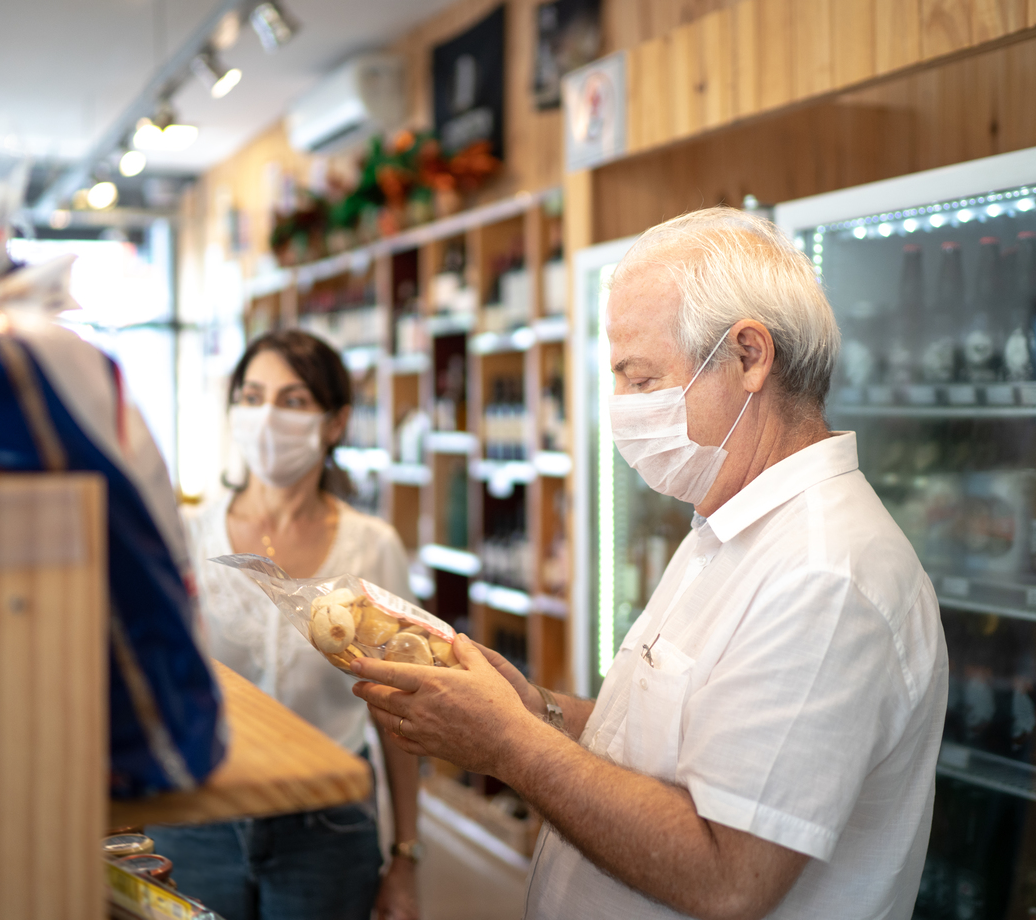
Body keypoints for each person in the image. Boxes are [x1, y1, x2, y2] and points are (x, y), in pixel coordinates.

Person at [352, 208, 948, 920]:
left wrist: (508, 745)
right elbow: (661, 748)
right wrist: (534, 711)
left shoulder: (824, 575)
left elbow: (727, 876)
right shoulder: (727, 522)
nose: (622, 409)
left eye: (640, 380)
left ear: (748, 357)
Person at [150, 330, 420, 920]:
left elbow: (399, 711)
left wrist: (406, 855)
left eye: (292, 400)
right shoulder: (184, 537)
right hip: (197, 817)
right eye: (252, 397)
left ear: (335, 422)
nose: (266, 416)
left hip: (327, 830)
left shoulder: (372, 547)